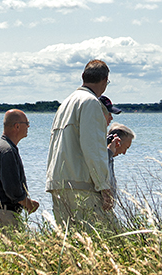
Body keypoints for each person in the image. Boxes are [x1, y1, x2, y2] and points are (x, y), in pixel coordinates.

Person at [46, 59, 118, 229]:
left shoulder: (65, 103)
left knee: (71, 242)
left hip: (58, 184)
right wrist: (104, 187)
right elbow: (93, 148)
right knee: (107, 236)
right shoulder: (91, 103)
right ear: (104, 81)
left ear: (83, 77)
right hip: (81, 185)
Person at [0, 110, 40, 231]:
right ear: (17, 126)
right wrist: (28, 204)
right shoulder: (7, 151)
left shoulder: (2, 147)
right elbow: (12, 190)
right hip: (3, 215)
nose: (28, 126)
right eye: (27, 123)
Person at [105, 122, 136, 196]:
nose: (124, 152)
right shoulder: (103, 157)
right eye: (125, 148)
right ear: (117, 142)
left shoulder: (109, 158)